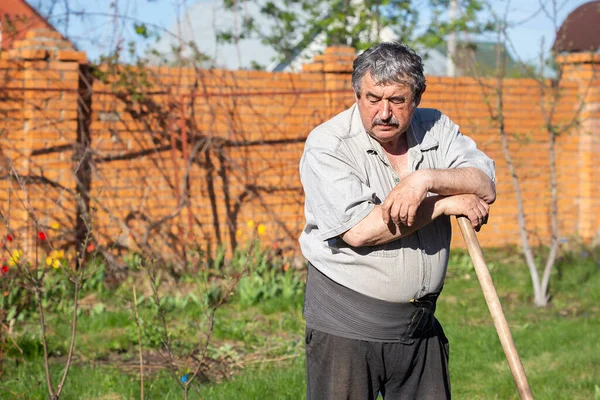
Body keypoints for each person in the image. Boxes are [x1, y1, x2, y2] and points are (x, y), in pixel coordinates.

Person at [298, 41, 496, 400]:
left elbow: (484, 183)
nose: (384, 112)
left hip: (419, 329)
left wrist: (423, 181)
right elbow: (359, 231)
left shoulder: (436, 128)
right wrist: (442, 205)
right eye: (373, 98)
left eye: (397, 100)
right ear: (357, 94)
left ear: (416, 98)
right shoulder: (329, 144)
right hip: (347, 327)